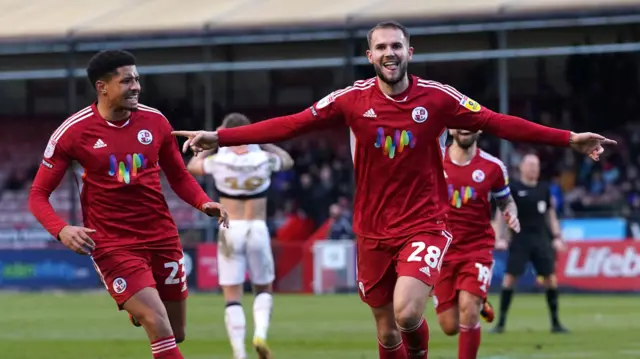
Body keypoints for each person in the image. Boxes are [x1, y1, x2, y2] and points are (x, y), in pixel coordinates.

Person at [172, 21, 614, 359]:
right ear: (370, 55)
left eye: (396, 46)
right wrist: (223, 136)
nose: (389, 53)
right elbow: (293, 123)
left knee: (407, 313)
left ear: (409, 52)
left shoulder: (439, 98)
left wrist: (567, 138)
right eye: (381, 47)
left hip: (425, 223)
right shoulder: (352, 99)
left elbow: (499, 122)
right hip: (371, 230)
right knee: (386, 331)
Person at [28, 50, 229, 359]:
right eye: (127, 81)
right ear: (102, 87)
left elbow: (177, 175)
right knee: (158, 324)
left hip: (161, 236)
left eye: (137, 79)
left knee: (176, 333)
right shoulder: (72, 132)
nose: (136, 86)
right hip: (112, 243)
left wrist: (204, 203)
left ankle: (135, 305)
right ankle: (138, 302)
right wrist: (62, 229)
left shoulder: (156, 121)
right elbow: (38, 195)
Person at [186, 113, 293, 359]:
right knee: (263, 287)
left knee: (232, 295)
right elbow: (287, 161)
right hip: (257, 226)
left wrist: (213, 138)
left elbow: (191, 167)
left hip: (229, 228)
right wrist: (263, 138)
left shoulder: (219, 162)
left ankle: (239, 352)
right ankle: (261, 334)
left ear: (225, 130)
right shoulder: (263, 159)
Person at [434, 129, 520, 359]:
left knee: (468, 310)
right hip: (441, 251)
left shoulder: (493, 167)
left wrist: (511, 214)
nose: (464, 128)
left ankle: (475, 301)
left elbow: (506, 201)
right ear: (451, 128)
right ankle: (481, 303)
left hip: (477, 249)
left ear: (479, 128)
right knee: (449, 326)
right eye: (459, 124)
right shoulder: (433, 159)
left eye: (470, 124)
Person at [492, 153, 569, 334]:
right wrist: (499, 237)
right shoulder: (512, 188)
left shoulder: (544, 188)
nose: (534, 168)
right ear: (522, 167)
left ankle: (556, 323)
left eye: (536, 165)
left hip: (542, 240)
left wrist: (557, 236)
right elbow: (501, 214)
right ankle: (501, 323)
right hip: (520, 239)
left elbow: (550, 215)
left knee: (550, 279)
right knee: (510, 278)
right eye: (530, 165)